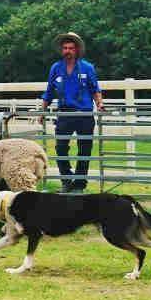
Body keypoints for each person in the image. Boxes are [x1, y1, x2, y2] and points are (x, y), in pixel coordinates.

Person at [39, 32, 103, 192]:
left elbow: (95, 89)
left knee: (84, 149)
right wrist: (42, 110)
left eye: (71, 48)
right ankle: (67, 180)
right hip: (64, 113)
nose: (68, 51)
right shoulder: (56, 68)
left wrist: (100, 104)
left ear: (77, 50)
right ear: (62, 50)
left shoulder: (87, 67)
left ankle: (79, 184)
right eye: (65, 48)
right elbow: (49, 91)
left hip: (84, 113)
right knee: (60, 148)